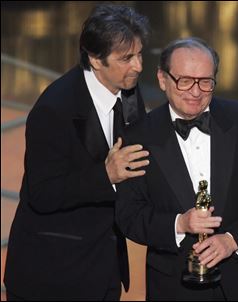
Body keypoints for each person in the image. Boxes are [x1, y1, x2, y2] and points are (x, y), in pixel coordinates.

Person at [116, 37, 238, 301]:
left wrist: (232, 240)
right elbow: (129, 215)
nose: (195, 91)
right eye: (184, 80)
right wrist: (179, 223)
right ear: (162, 79)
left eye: (205, 81)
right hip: (174, 288)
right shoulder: (138, 136)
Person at [4, 4, 150, 301]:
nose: (138, 66)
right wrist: (106, 175)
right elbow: (44, 193)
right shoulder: (54, 109)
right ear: (95, 59)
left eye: (139, 54)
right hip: (52, 274)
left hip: (105, 266)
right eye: (126, 58)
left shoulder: (130, 90)